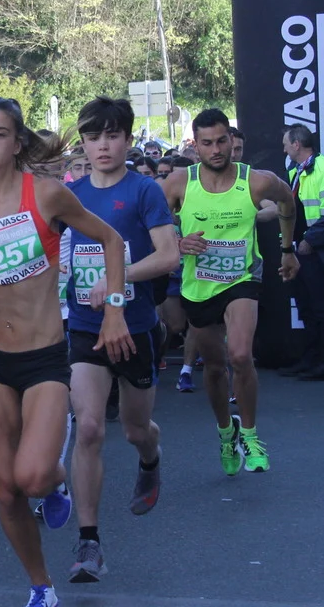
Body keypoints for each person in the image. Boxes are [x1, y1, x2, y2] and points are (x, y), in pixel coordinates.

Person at [0, 97, 134, 607]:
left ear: (17, 143)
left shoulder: (45, 194)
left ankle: (57, 482)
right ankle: (41, 586)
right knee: (6, 489)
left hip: (44, 355)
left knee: (32, 476)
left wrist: (114, 311)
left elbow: (111, 241)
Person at [62, 98, 180, 583]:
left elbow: (168, 256)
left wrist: (115, 279)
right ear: (83, 144)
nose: (103, 146)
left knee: (134, 429)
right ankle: (89, 542)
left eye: (112, 136)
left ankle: (151, 457)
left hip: (135, 328)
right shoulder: (71, 195)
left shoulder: (144, 190)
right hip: (84, 328)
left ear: (128, 140)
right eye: (93, 137)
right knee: (89, 428)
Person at [162, 108, 298, 476]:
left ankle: (251, 435)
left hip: (242, 280)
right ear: (196, 146)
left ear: (232, 140)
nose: (216, 149)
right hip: (200, 286)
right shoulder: (178, 183)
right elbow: (151, 225)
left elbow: (288, 201)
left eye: (222, 141)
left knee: (239, 354)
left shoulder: (257, 181)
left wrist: (287, 249)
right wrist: (177, 241)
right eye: (207, 143)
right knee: (214, 367)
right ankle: (226, 432)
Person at [280, 123, 324, 379]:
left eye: (286, 144)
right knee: (305, 307)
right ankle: (309, 360)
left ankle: (320, 363)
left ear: (297, 144)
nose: (284, 149)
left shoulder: (321, 168)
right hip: (299, 252)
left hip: (316, 251)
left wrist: (310, 239)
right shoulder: (295, 171)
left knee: (319, 308)